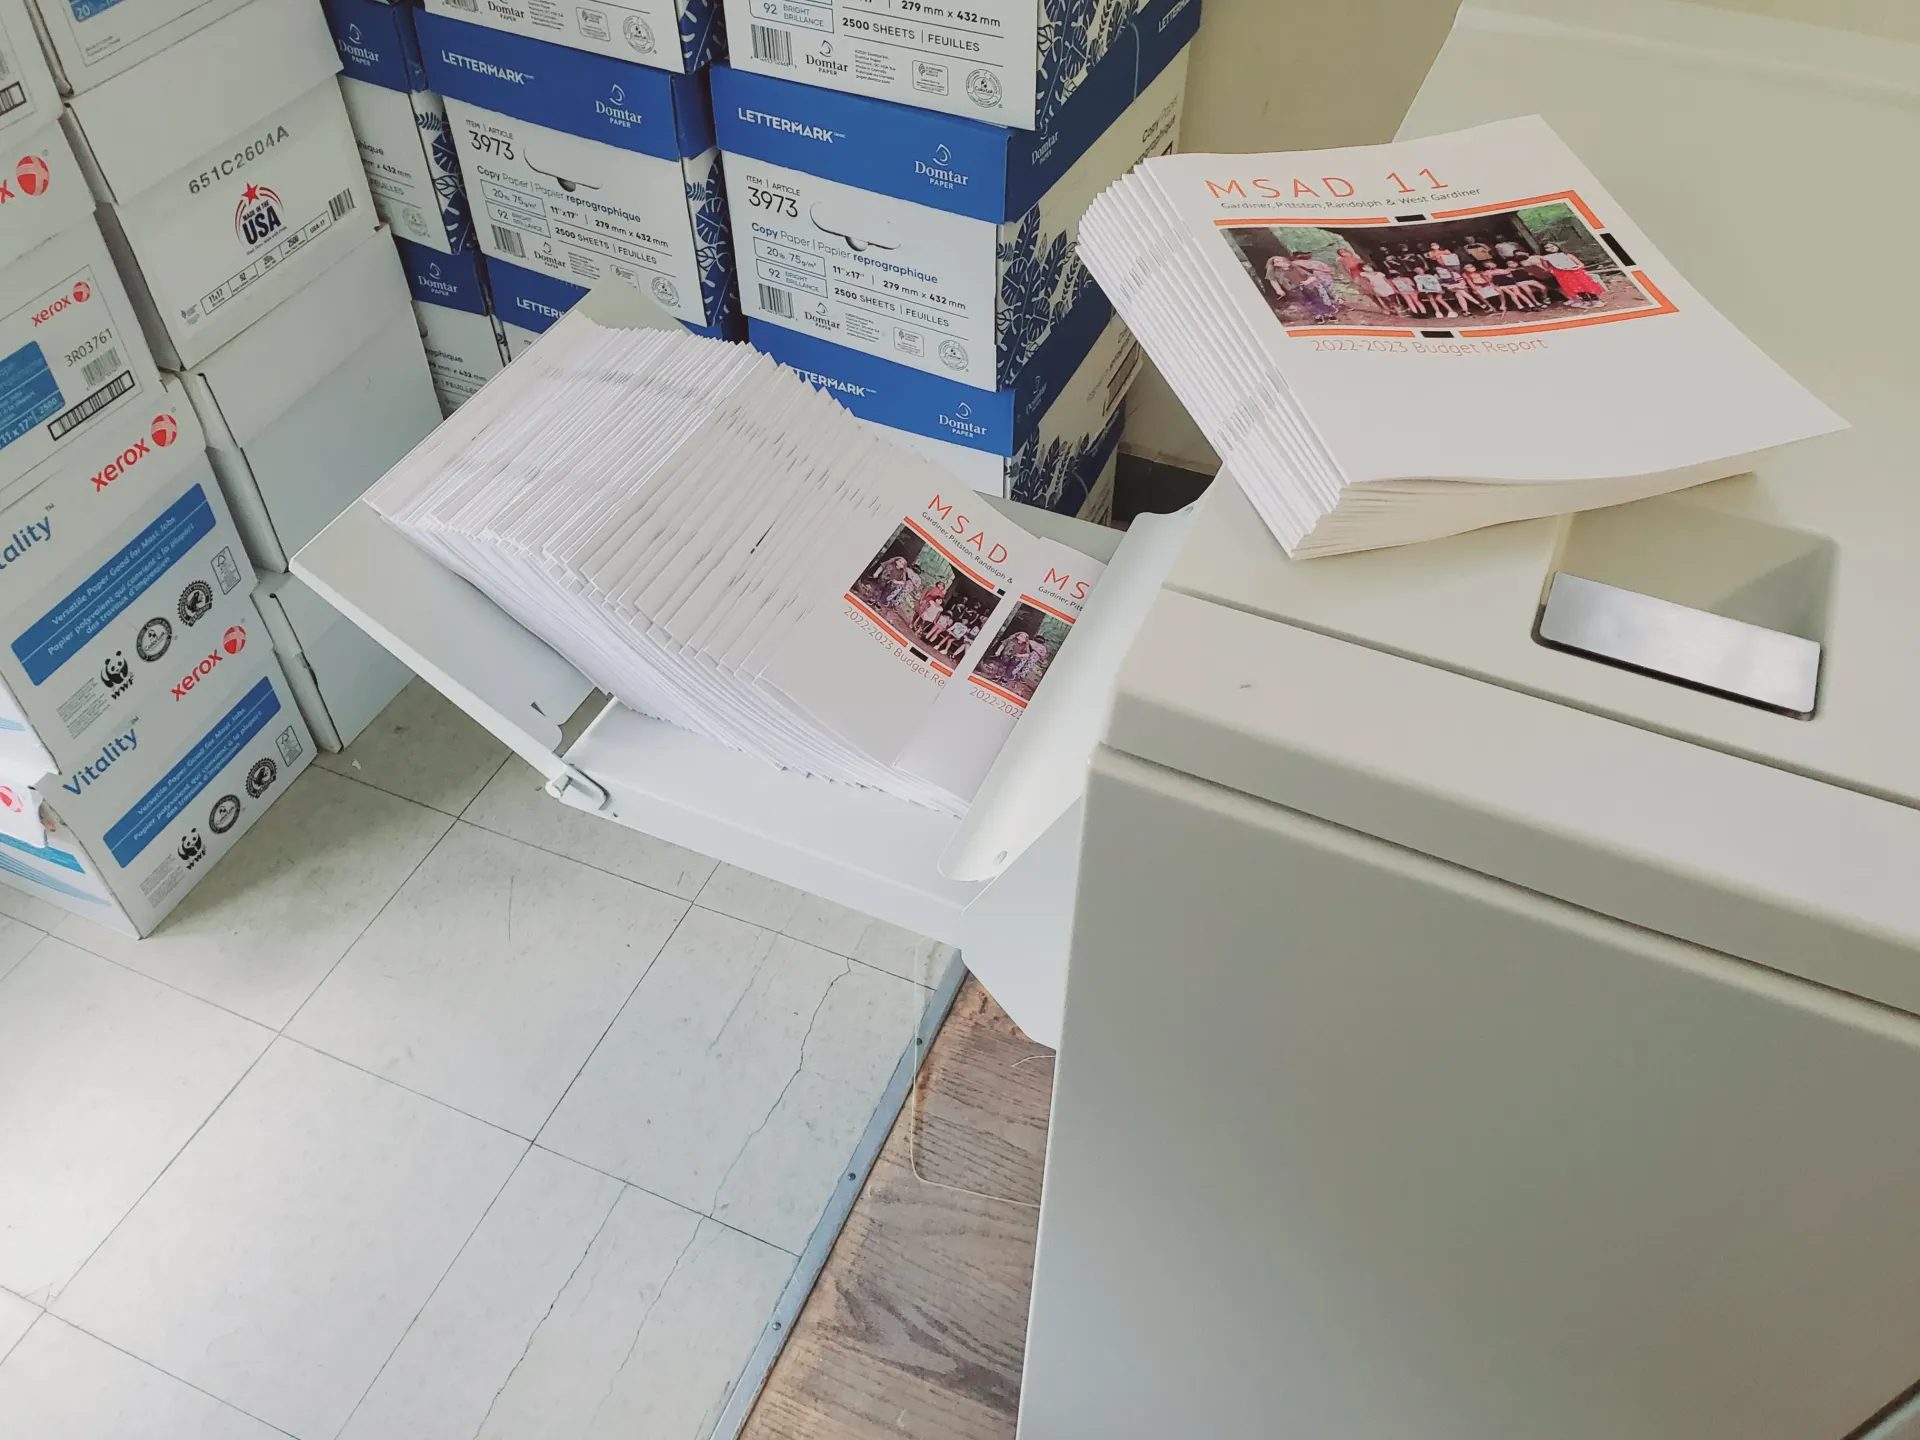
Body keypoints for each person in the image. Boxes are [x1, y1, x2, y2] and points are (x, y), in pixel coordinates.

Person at [1540, 241, 1608, 307]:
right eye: (1547, 247)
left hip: (1576, 274)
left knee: (1585, 286)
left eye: (1552, 246)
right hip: (1564, 276)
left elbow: (1581, 264)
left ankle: (1595, 300)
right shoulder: (1546, 258)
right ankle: (1586, 301)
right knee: (1576, 288)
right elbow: (1547, 268)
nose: (1551, 248)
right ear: (1544, 249)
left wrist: (1575, 268)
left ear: (1557, 246)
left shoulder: (1567, 255)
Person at [1286, 250, 1340, 323]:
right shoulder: (1316, 262)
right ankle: (1327, 313)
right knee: (1323, 297)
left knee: (1317, 298)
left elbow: (1328, 270)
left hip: (1315, 281)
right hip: (1319, 280)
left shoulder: (1294, 264)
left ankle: (1322, 314)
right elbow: (1329, 270)